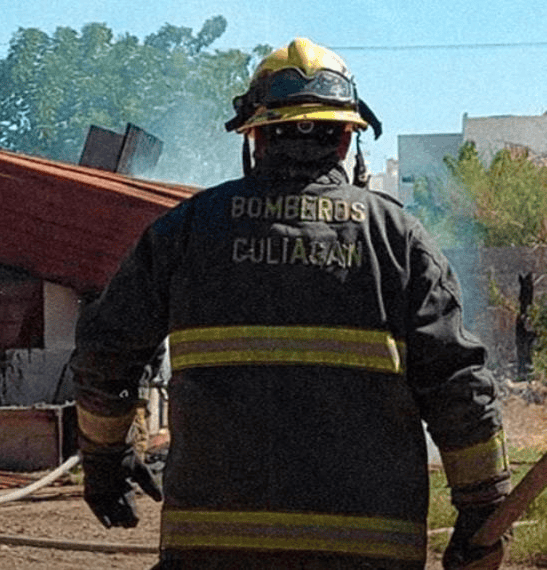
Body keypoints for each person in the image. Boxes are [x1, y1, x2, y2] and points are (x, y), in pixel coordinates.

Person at [72, 38, 510, 570]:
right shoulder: (398, 239)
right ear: (347, 139)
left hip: (212, 552)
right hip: (366, 554)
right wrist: (482, 512)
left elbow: (105, 354)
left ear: (254, 134)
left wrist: (104, 457)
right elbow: (458, 388)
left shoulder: (184, 232)